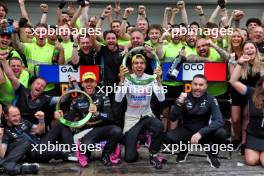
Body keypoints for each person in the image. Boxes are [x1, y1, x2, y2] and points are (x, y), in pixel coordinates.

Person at [166, 74, 228, 168]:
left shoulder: (211, 99)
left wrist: (201, 133)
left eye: (201, 85)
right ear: (191, 84)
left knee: (222, 133)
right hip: (187, 131)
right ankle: (185, 148)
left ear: (206, 86)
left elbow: (219, 121)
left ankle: (212, 154)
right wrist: (179, 104)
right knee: (168, 137)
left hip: (204, 133)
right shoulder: (184, 97)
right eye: (195, 84)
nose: (198, 87)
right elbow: (172, 118)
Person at [115, 54, 165, 169]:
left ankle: (153, 153)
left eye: (141, 63)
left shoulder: (150, 78)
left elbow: (161, 98)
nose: (139, 65)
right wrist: (122, 80)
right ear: (132, 66)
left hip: (146, 115)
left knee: (159, 125)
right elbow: (118, 99)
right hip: (132, 118)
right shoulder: (127, 79)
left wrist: (158, 80)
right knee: (130, 158)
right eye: (136, 63)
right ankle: (138, 140)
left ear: (145, 65)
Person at [64, 72, 122, 167]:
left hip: (101, 128)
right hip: (86, 131)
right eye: (86, 81)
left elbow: (111, 117)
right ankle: (84, 151)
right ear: (82, 84)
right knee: (86, 147)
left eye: (92, 81)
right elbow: (69, 121)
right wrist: (61, 116)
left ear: (95, 83)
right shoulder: (76, 101)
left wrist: (97, 113)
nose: (89, 84)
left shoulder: (103, 96)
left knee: (117, 130)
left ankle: (106, 155)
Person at [0, 105, 73, 175]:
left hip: (40, 143)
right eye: (14, 116)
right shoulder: (4, 131)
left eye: (18, 115)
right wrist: (0, 137)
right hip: (34, 152)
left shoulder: (22, 121)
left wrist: (41, 119)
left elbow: (39, 131)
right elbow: (2, 155)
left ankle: (73, 151)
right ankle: (67, 155)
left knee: (61, 123)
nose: (17, 118)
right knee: (57, 152)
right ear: (6, 116)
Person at [229, 58, 264, 166]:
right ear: (261, 83)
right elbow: (233, 81)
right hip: (253, 135)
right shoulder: (252, 92)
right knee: (251, 161)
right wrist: (239, 63)